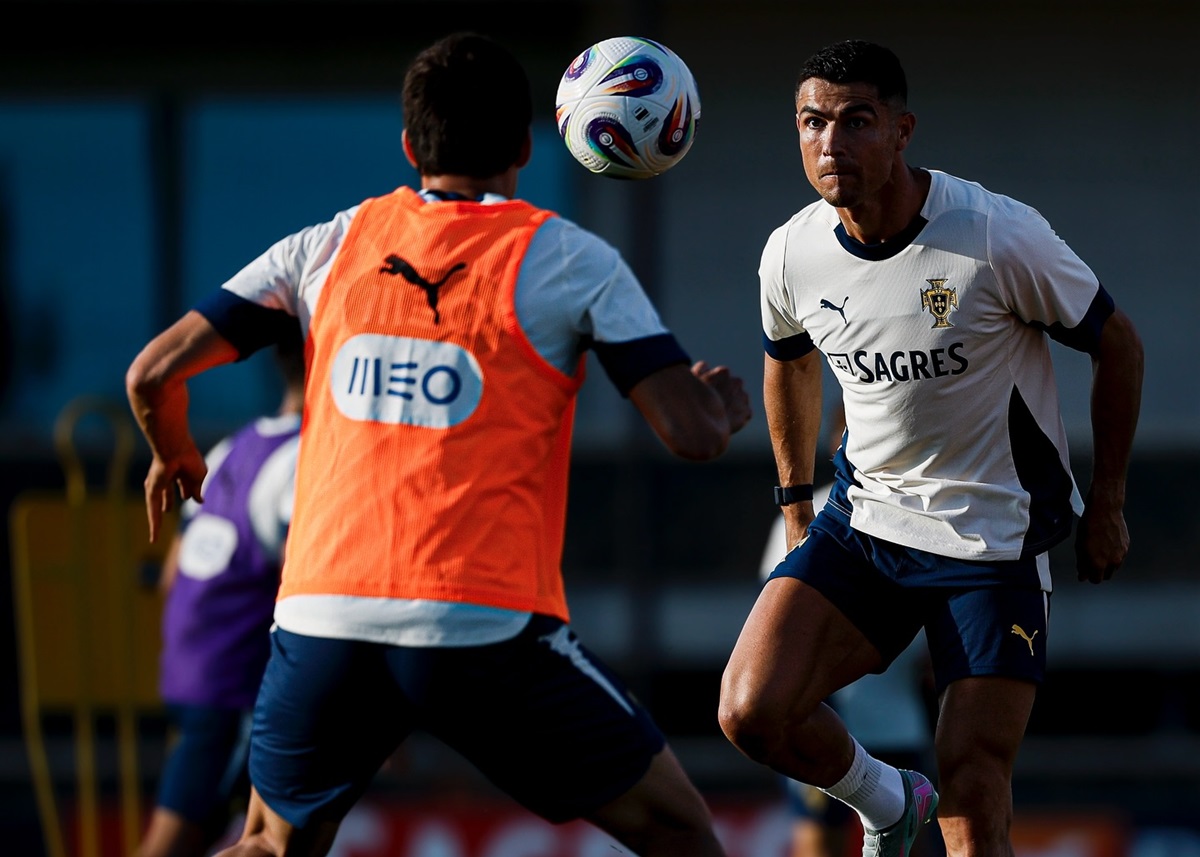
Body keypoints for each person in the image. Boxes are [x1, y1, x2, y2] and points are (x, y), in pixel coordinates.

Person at [126, 31, 751, 857]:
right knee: (678, 828)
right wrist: (721, 407)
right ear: (526, 146)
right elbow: (692, 435)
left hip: (324, 616)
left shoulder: (328, 244)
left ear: (409, 147)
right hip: (480, 621)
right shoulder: (569, 258)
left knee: (271, 844)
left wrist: (174, 450)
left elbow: (153, 372)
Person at [718, 39, 1143, 857]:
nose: (831, 143)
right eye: (812, 123)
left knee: (972, 790)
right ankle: (886, 800)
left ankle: (923, 804)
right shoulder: (792, 251)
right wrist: (796, 503)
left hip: (993, 540)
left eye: (856, 121)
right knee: (750, 710)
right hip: (866, 525)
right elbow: (789, 362)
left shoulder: (993, 235)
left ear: (901, 131)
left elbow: (1118, 343)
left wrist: (1109, 502)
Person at [137, 328, 306, 857]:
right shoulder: (310, 459)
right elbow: (311, 591)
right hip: (237, 692)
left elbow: (173, 573)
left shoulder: (234, 446)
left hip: (189, 676)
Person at [759, 404, 944, 857]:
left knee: (910, 833)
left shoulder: (928, 509)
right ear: (836, 442)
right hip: (826, 716)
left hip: (898, 719)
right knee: (818, 834)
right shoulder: (809, 512)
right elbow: (776, 622)